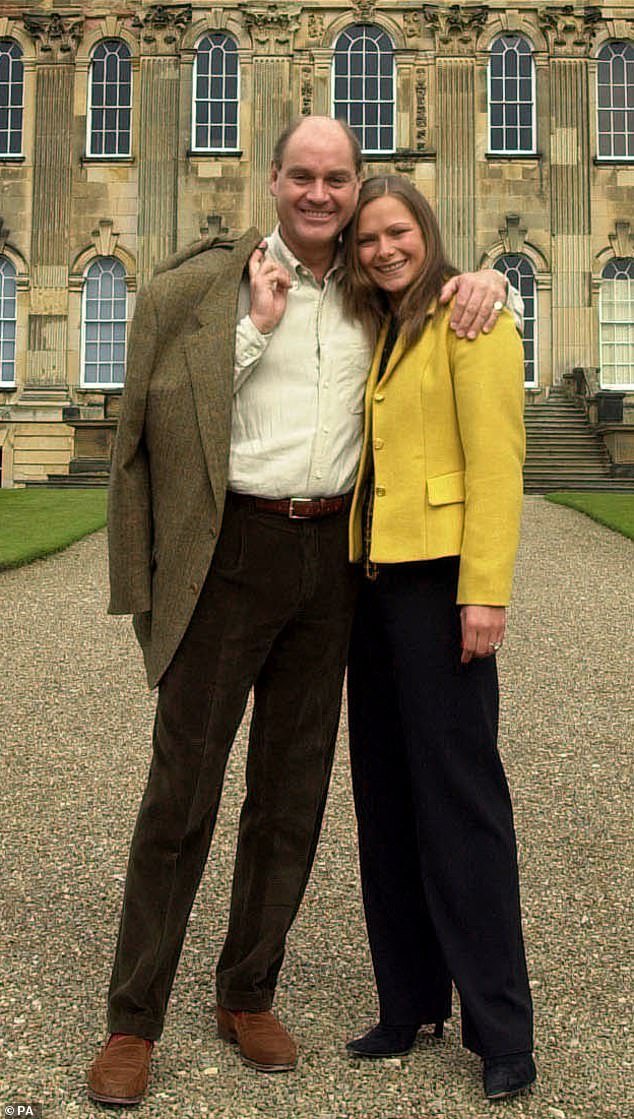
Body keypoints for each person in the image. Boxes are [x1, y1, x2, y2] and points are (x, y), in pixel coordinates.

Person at [87, 116, 516, 1107]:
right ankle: (133, 1018)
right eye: (303, 177)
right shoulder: (206, 286)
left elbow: (446, 334)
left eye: (338, 180)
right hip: (229, 550)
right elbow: (150, 429)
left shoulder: (382, 295)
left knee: (290, 799)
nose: (321, 194)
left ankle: (247, 992)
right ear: (272, 179)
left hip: (333, 561)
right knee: (179, 796)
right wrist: (252, 334)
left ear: (355, 185)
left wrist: (483, 281)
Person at [341, 175, 535, 1102]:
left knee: (462, 806)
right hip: (371, 587)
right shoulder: (380, 329)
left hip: (441, 583)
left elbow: (498, 461)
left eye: (397, 232)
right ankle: (410, 998)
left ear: (426, 229)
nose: (383, 249)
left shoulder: (473, 317)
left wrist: (483, 592)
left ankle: (503, 1030)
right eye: (368, 238)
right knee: (384, 800)